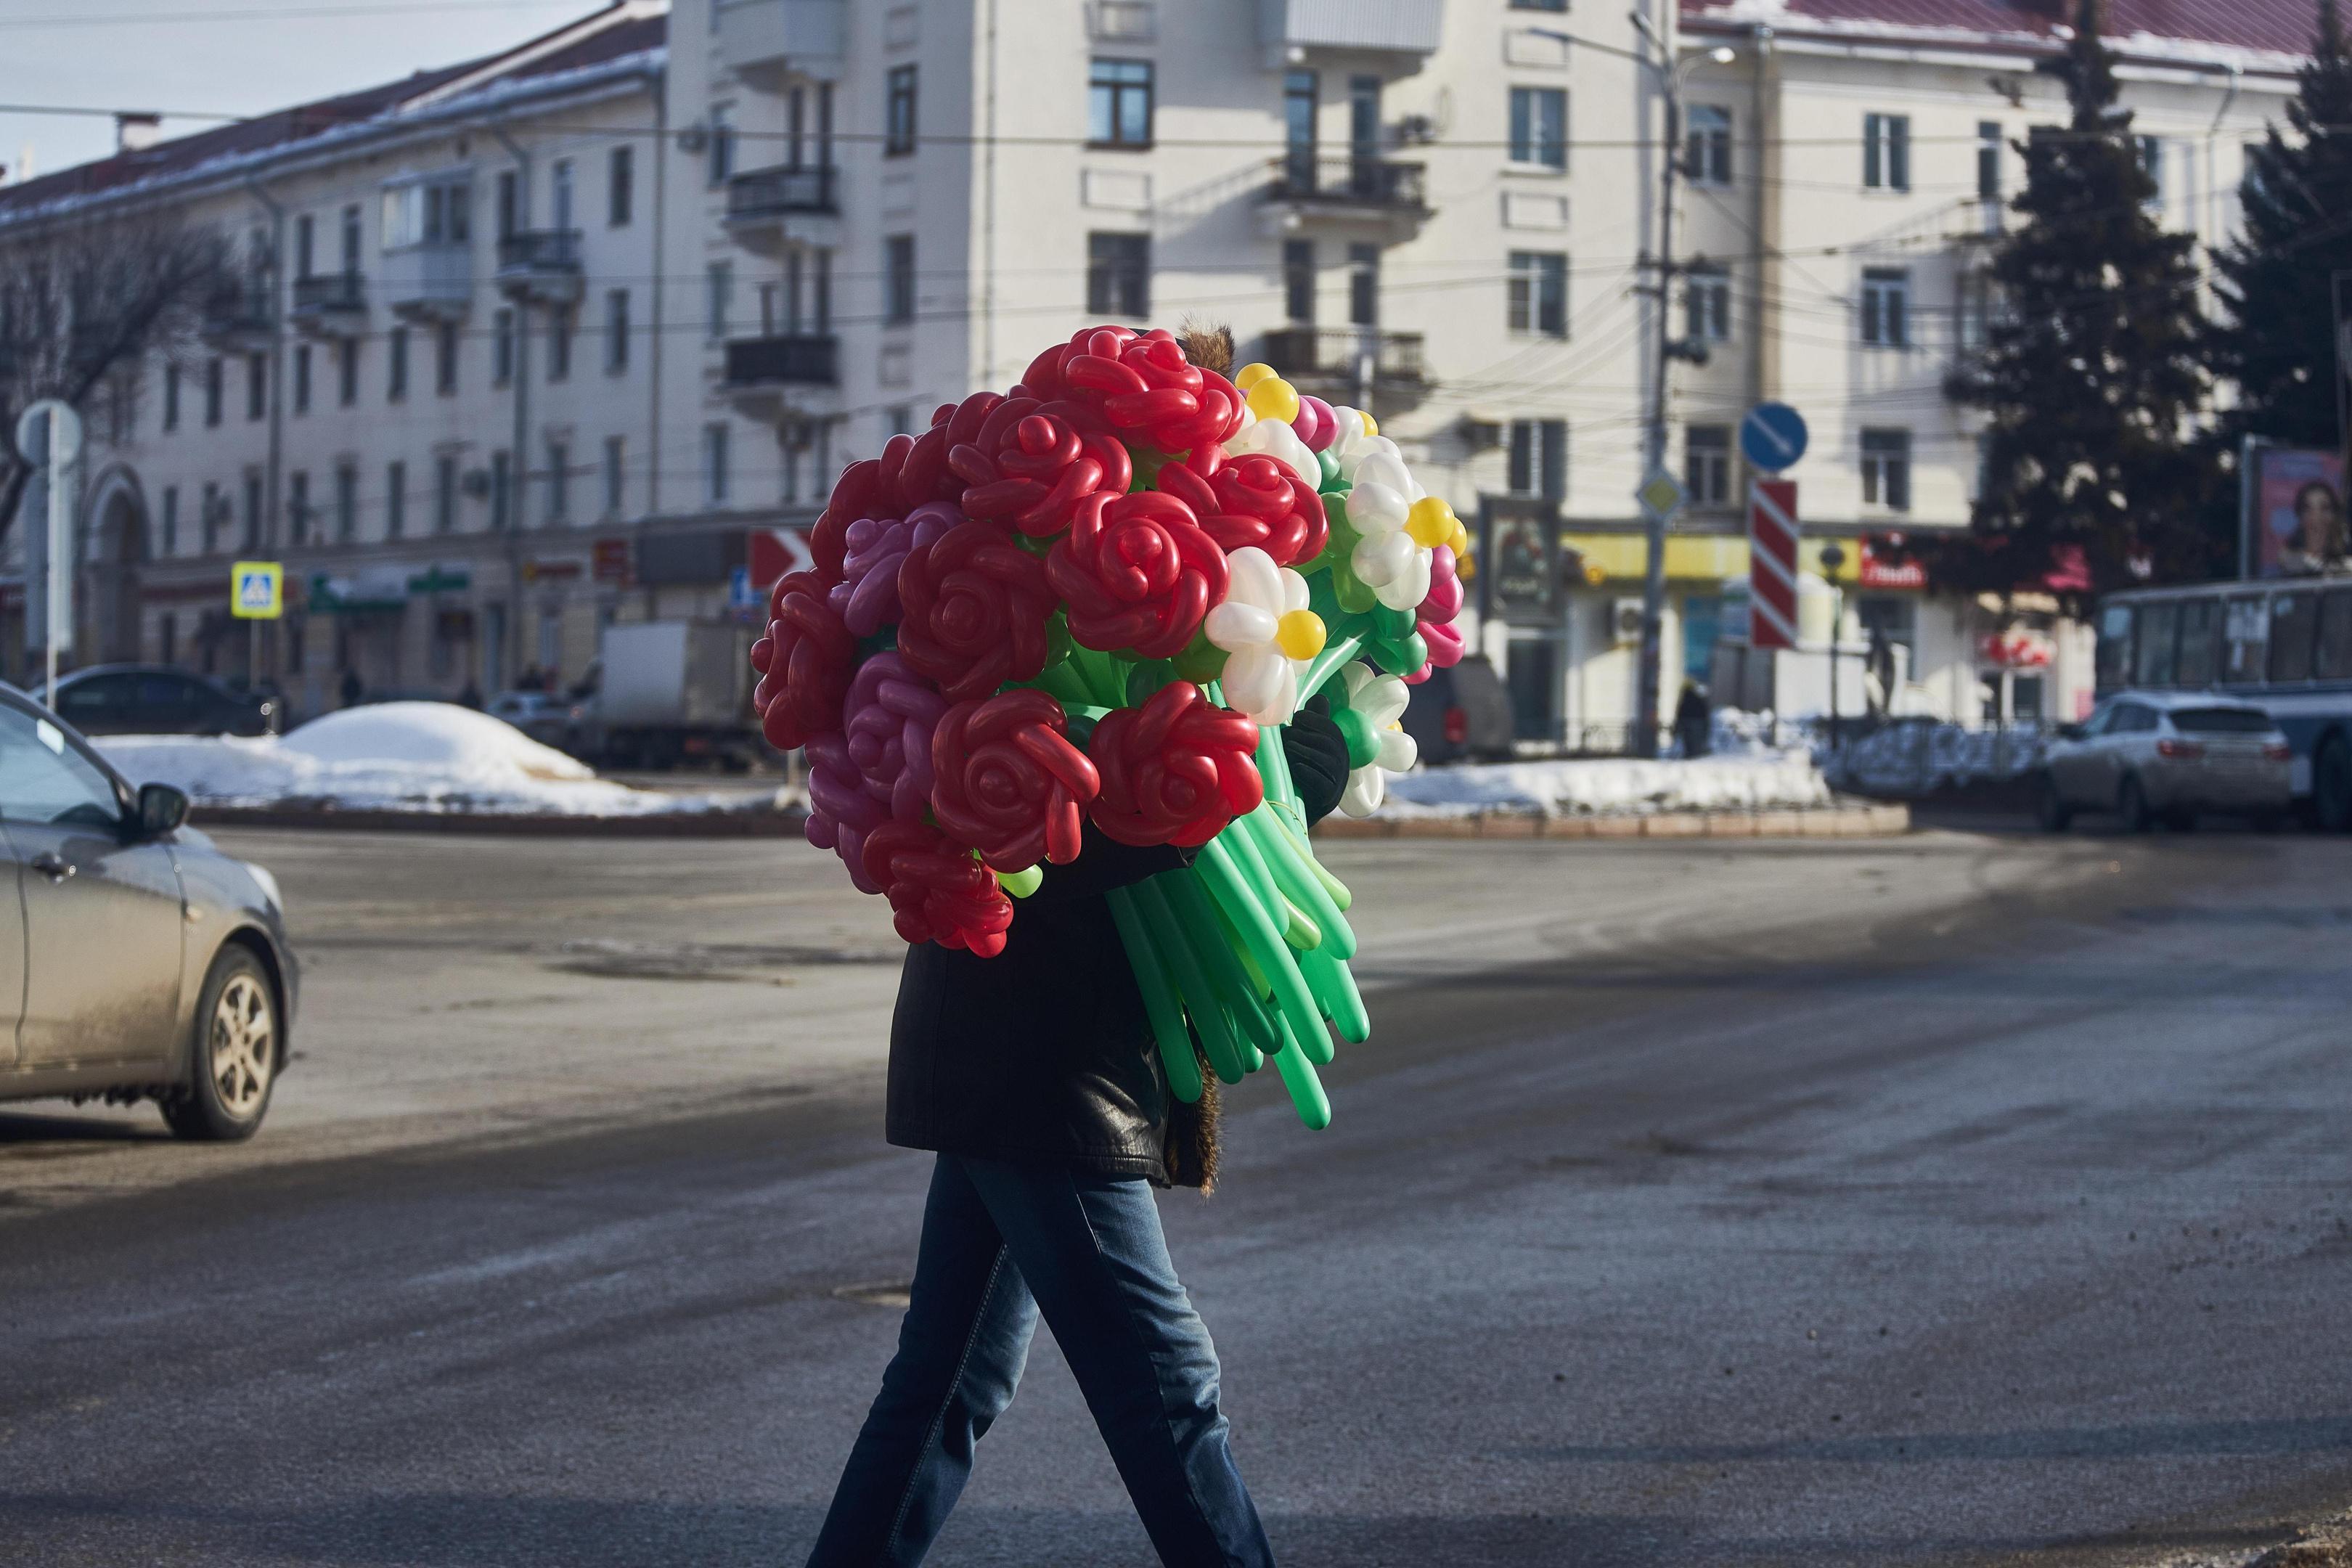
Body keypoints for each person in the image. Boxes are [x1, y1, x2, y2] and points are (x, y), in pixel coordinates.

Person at [806, 706, 1354, 1568]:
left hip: (1025, 1053)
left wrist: (1279, 742)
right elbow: (1042, 837)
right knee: (1163, 1378)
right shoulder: (1019, 666)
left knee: (950, 1381)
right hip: (1043, 1064)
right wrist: (1229, 777)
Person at [1673, 680, 1710, 759]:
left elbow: (1680, 713)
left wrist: (1678, 725)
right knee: (1696, 742)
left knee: (1688, 742)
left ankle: (1689, 755)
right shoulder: (1698, 699)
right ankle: (1694, 756)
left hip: (1686, 722)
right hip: (1697, 723)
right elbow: (1704, 712)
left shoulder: (1684, 700)